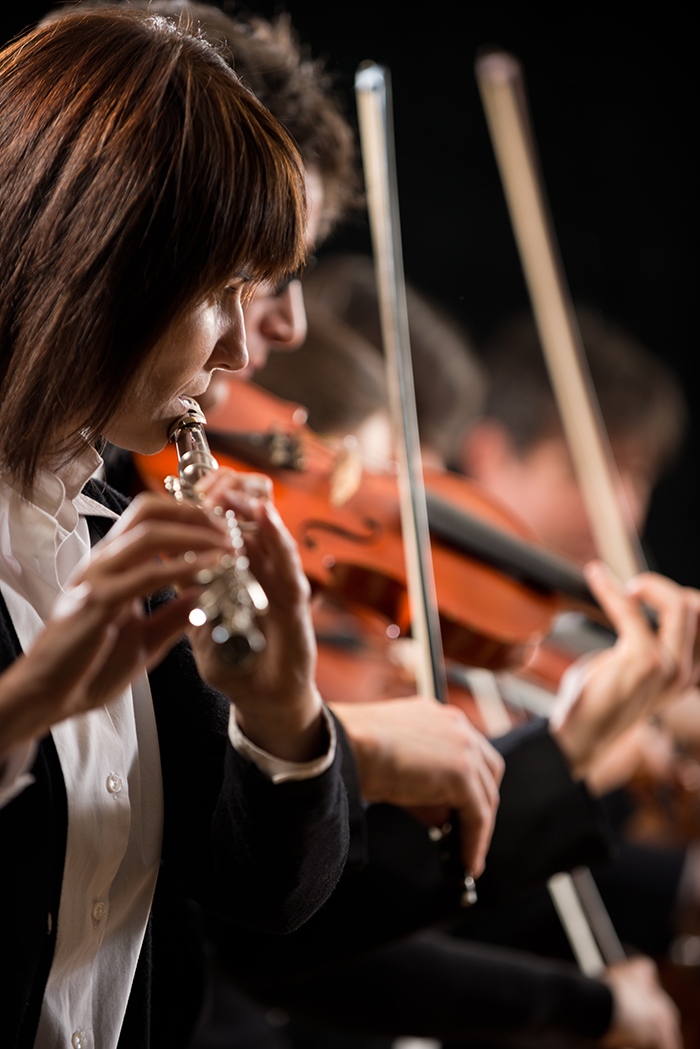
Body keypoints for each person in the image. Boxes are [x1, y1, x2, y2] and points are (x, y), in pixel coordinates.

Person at [42, 6, 699, 1049]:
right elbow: (259, 946)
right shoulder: (118, 510)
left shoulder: (123, 515)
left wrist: (296, 735)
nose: (280, 324)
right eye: (249, 273)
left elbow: (257, 883)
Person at [0, 10, 355, 1047]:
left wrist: (283, 712)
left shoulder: (121, 536)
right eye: (219, 294)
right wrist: (24, 705)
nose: (243, 350)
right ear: (95, 266)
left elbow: (263, 899)